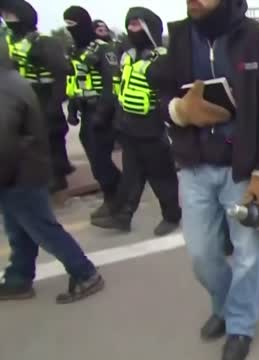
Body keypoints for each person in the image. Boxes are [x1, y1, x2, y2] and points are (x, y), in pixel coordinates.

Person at [153, 0, 259, 359]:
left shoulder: (254, 37)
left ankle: (239, 324)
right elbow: (160, 92)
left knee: (247, 253)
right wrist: (178, 111)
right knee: (201, 253)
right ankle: (225, 304)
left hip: (240, 168)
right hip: (193, 166)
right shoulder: (179, 37)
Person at [0, 36, 104, 303]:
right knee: (20, 229)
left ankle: (85, 273)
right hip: (22, 170)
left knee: (42, 228)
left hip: (19, 172)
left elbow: (5, 140)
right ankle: (18, 277)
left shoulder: (4, 87)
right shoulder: (12, 79)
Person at [91, 7, 181, 236]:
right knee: (131, 176)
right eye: (129, 25)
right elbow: (117, 87)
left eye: (137, 25)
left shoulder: (162, 57)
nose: (132, 29)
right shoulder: (126, 55)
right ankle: (123, 216)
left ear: (149, 28)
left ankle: (171, 216)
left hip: (152, 129)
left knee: (162, 177)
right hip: (127, 126)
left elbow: (169, 92)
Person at [2, 0, 74, 193]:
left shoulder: (44, 42)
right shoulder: (7, 42)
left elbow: (61, 73)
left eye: (10, 16)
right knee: (22, 137)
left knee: (52, 136)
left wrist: (55, 102)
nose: (7, 20)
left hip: (44, 94)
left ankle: (58, 175)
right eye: (4, 16)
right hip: (18, 95)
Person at [64, 6, 122, 222]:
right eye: (67, 26)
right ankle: (115, 193)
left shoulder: (103, 49)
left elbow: (111, 84)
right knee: (94, 156)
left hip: (102, 110)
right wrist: (72, 107)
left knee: (100, 157)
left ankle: (115, 197)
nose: (70, 30)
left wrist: (102, 113)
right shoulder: (75, 51)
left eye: (73, 25)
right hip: (85, 109)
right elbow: (74, 81)